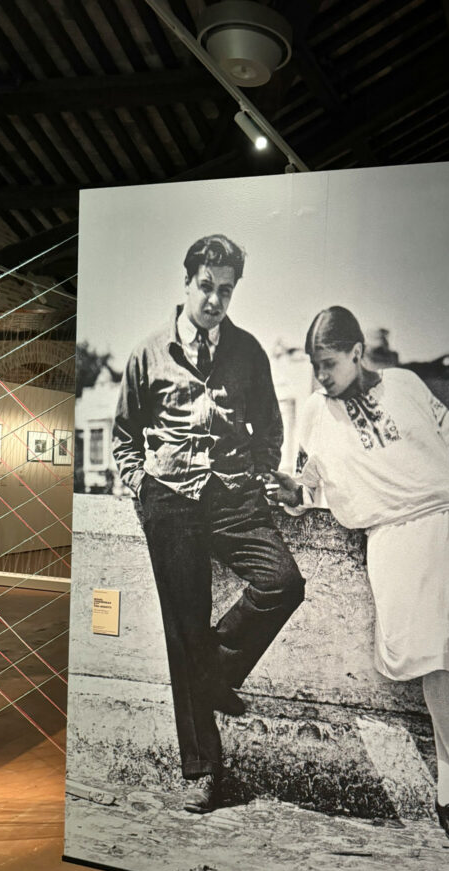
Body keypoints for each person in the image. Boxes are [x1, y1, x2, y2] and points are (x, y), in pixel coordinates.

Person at [270, 306, 449, 847]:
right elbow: (308, 481)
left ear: (356, 353)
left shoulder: (404, 384)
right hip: (393, 535)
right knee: (429, 658)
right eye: (313, 366)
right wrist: (292, 493)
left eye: (328, 364)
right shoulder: (313, 412)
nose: (321, 377)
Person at [112, 234, 305, 814]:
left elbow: (270, 427)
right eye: (206, 287)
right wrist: (140, 487)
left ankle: (216, 671)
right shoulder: (147, 353)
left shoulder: (248, 352)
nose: (216, 300)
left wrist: (261, 472)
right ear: (187, 282)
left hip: (234, 499)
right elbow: (125, 436)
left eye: (226, 290)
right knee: (182, 629)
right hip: (169, 500)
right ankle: (201, 770)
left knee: (283, 581)